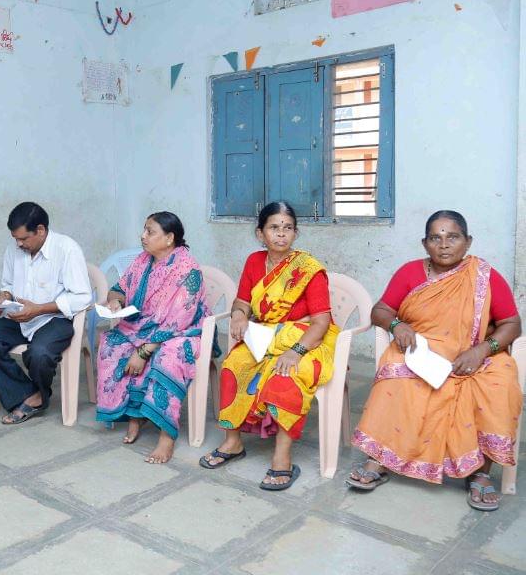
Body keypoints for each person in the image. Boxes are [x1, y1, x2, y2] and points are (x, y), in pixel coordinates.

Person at [347, 210, 522, 511]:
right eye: (435, 238)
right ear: (424, 243)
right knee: (397, 375)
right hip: (422, 351)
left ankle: (480, 472)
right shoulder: (409, 272)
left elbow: (512, 324)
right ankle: (381, 458)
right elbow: (381, 311)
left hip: (473, 354)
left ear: (468, 242)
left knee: (500, 382)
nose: (444, 245)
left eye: (452, 237)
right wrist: (396, 325)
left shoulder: (485, 276)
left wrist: (482, 350)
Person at [200, 200, 339, 490]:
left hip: (306, 341)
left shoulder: (309, 269)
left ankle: (282, 457)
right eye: (274, 227)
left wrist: (295, 352)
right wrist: (239, 315)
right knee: (233, 364)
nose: (281, 234)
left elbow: (321, 323)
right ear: (260, 233)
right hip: (264, 336)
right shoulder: (254, 261)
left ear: (296, 233)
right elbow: (242, 301)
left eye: (288, 228)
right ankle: (233, 442)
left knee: (285, 377)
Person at [95, 212, 215, 464]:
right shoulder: (142, 260)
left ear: (169, 238)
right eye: (144, 230)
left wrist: (143, 351)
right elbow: (119, 288)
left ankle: (166, 435)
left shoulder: (188, 268)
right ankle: (135, 415)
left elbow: (179, 319)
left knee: (168, 356)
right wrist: (116, 302)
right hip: (144, 324)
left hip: (184, 331)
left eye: (150, 232)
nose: (143, 236)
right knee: (111, 344)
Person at [0, 202, 92, 425]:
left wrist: (39, 309)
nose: (19, 244)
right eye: (15, 239)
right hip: (20, 316)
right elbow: (8, 284)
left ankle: (34, 397)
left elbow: (82, 297)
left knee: (40, 353)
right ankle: (30, 394)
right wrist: (2, 298)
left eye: (23, 239)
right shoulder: (14, 250)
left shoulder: (67, 249)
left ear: (41, 230)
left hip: (55, 319)